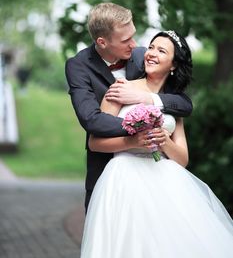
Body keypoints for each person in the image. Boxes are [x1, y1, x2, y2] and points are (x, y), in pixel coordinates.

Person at [80, 31, 233, 258]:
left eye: (161, 51)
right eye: (151, 47)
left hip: (166, 181)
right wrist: (131, 141)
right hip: (124, 179)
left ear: (173, 65)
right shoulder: (121, 88)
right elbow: (95, 143)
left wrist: (164, 141)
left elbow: (182, 159)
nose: (151, 53)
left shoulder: (174, 102)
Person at [65, 2, 193, 211]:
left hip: (159, 178)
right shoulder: (78, 66)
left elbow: (183, 104)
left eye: (134, 35)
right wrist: (140, 125)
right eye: (126, 40)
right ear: (102, 42)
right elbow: (91, 120)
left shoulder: (143, 56)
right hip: (110, 172)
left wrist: (147, 99)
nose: (136, 45)